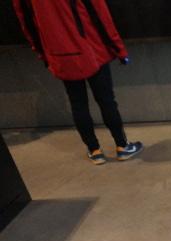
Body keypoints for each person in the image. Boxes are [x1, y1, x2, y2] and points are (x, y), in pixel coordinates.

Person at [13, 0, 143, 165]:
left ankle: (94, 151)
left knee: (78, 104)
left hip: (60, 54)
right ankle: (122, 146)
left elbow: (27, 23)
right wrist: (119, 49)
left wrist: (42, 53)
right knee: (106, 100)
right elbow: (101, 15)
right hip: (92, 49)